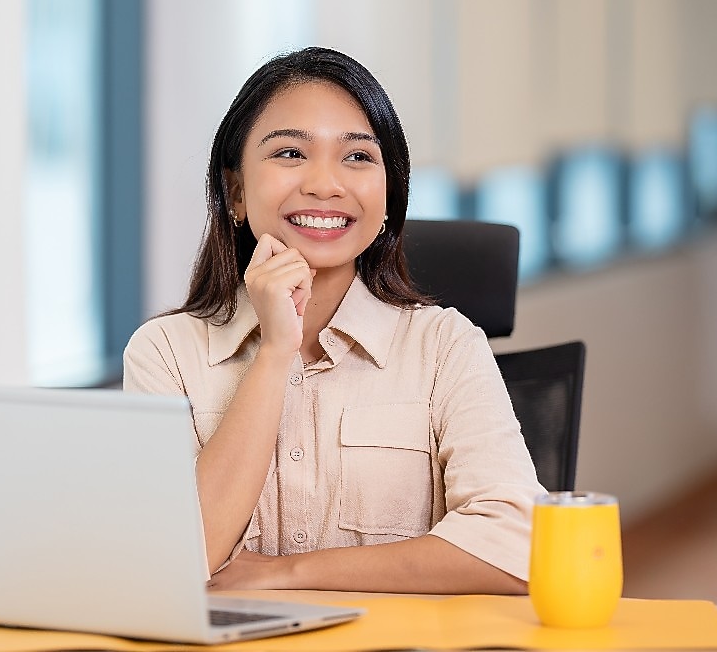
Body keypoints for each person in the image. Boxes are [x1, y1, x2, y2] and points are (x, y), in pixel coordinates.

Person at [123, 47, 544, 594]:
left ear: (389, 193)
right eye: (291, 153)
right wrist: (275, 351)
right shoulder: (165, 353)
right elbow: (174, 557)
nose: (325, 184)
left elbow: (519, 546)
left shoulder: (445, 346)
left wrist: (287, 574)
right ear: (235, 192)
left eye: (358, 158)